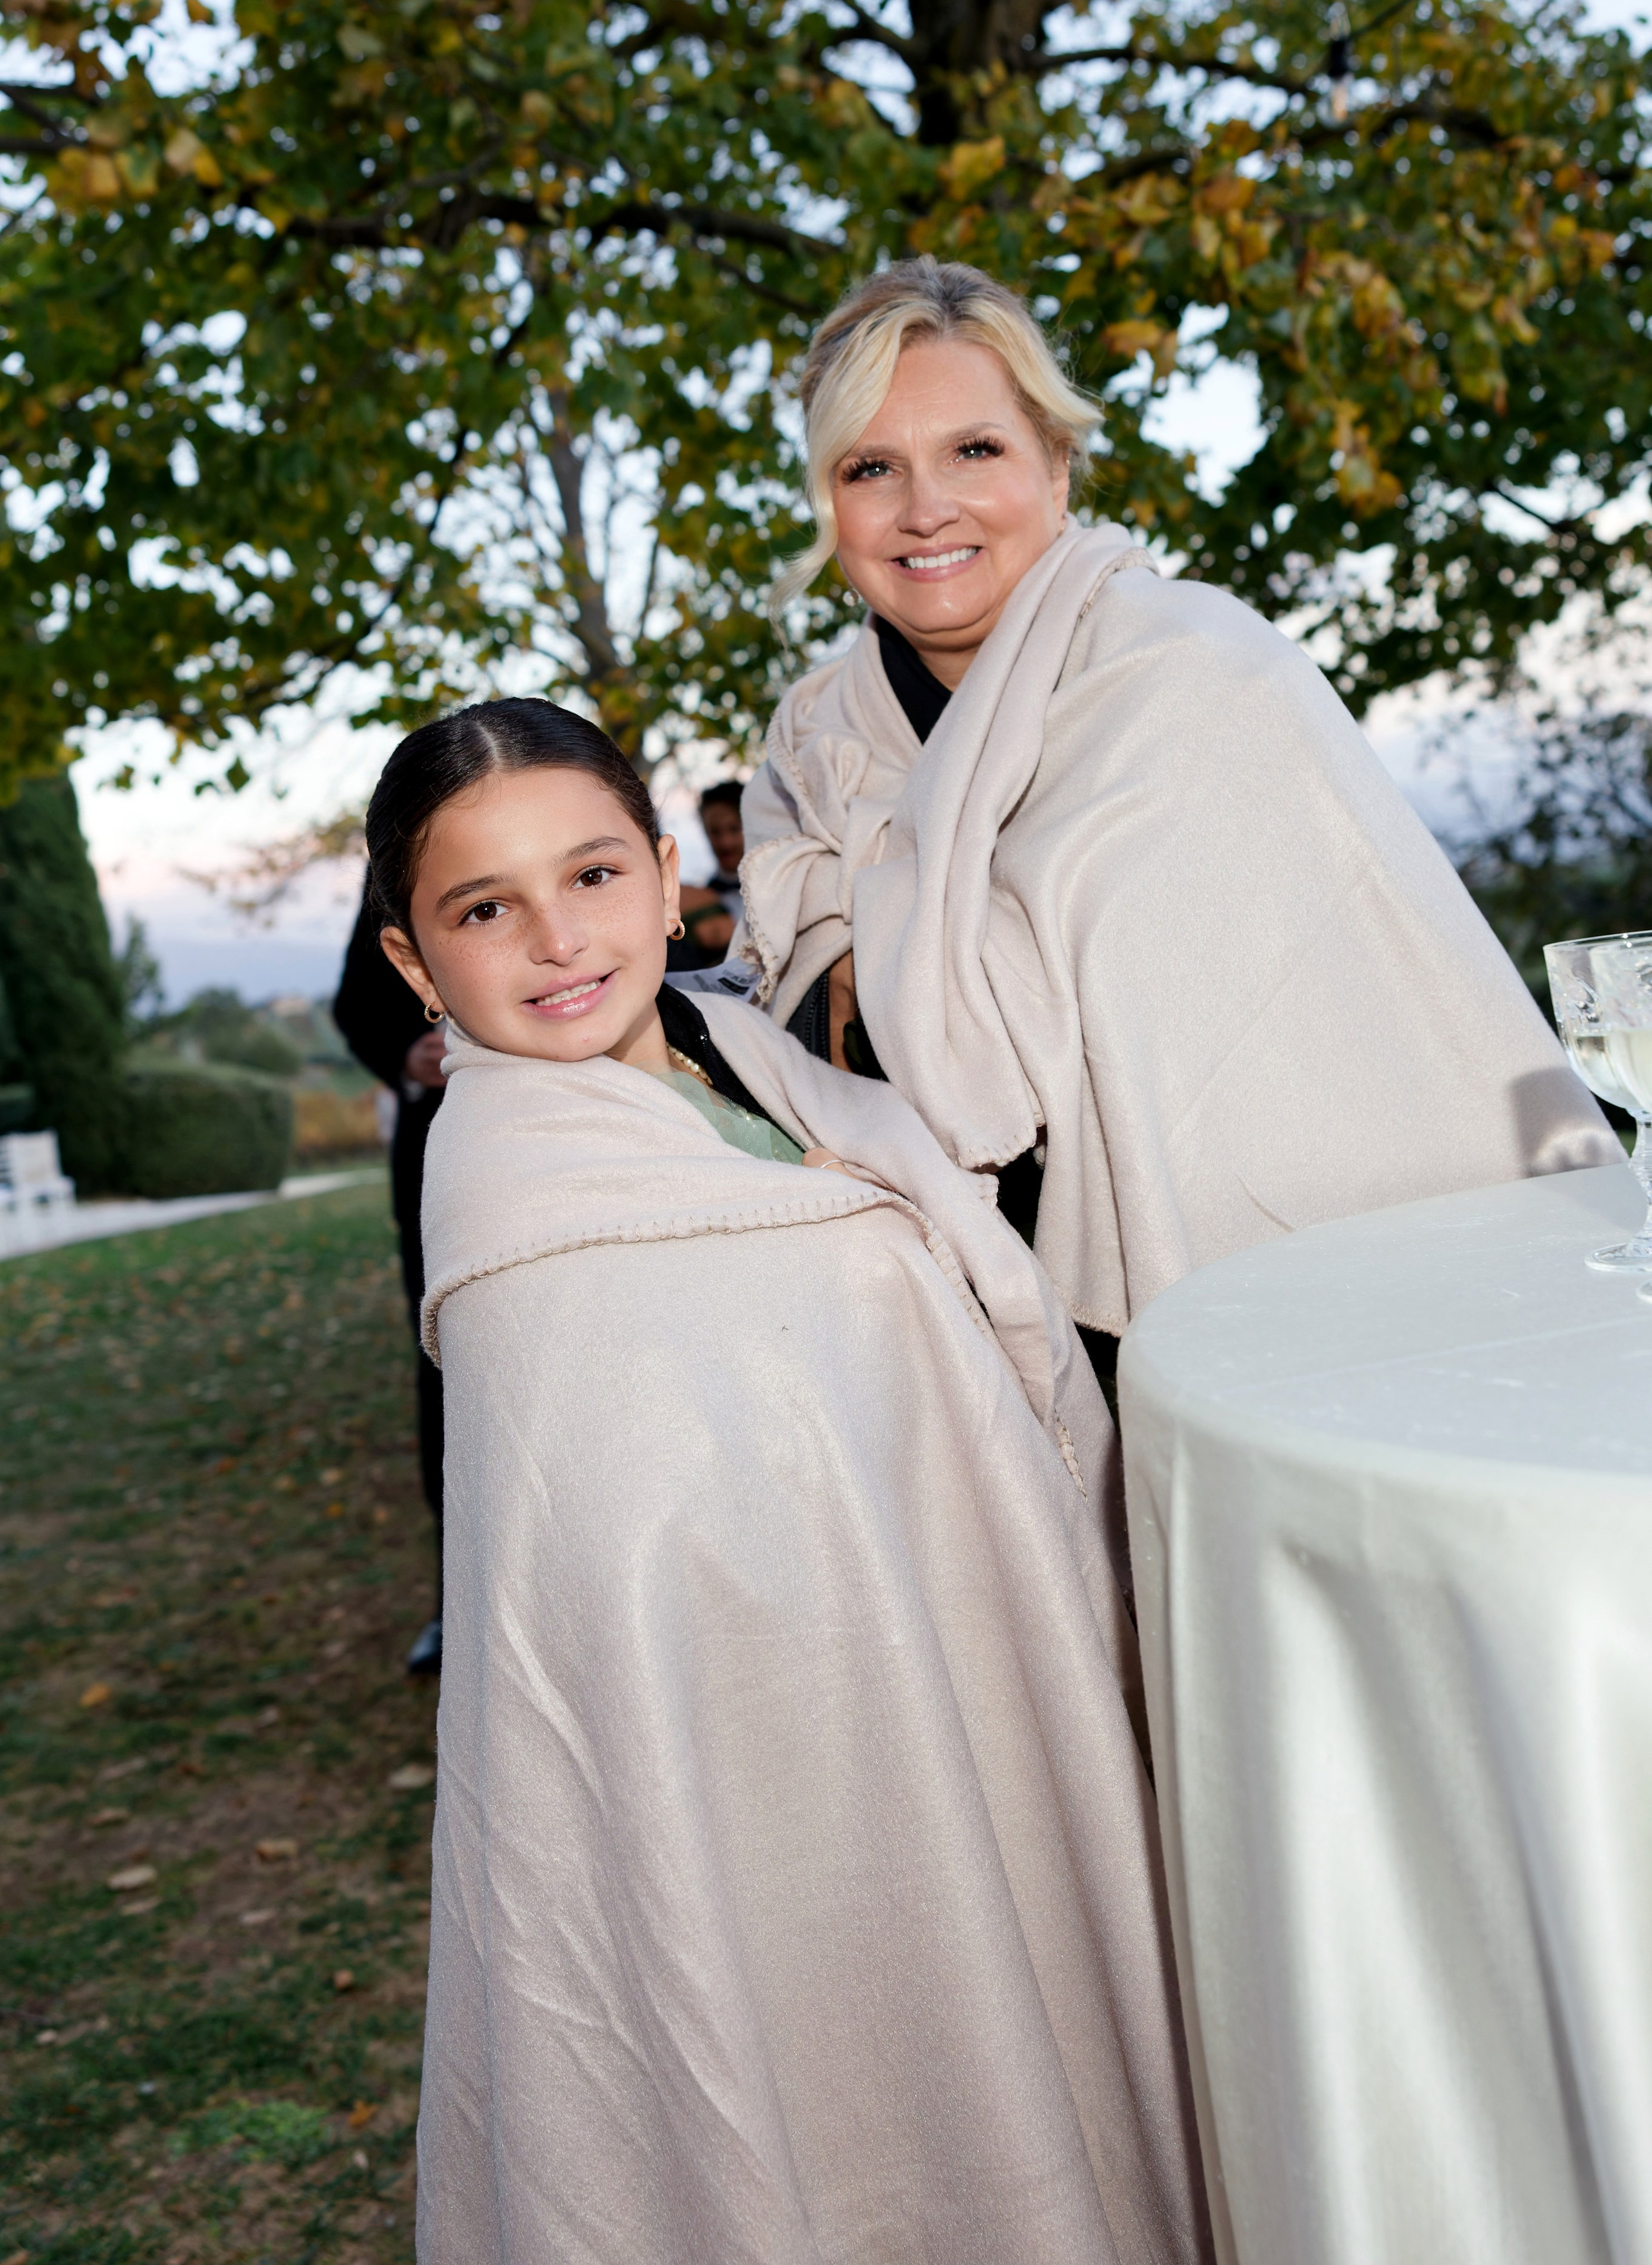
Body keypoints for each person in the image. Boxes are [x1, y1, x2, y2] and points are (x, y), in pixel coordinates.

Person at [367, 697, 1211, 2265]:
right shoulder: (520, 1227)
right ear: (417, 962)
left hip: (968, 1661)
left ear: (665, 869)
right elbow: (617, 1590)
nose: (558, 939)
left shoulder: (739, 1045)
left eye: (594, 874)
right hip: (787, 1797)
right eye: (485, 907)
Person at [739, 258, 1617, 1385]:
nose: (925, 508)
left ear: (1056, 469)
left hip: (1264, 1293)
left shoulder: (1196, 669)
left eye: (974, 449)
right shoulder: (814, 735)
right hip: (947, 1333)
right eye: (872, 467)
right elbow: (799, 1026)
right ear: (831, 502)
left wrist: (885, 948)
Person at [332, 889, 448, 1674]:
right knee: (446, 1381)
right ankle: (459, 1602)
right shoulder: (392, 869)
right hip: (437, 1170)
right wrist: (406, 1054)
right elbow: (354, 1002)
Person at [665, 777, 746, 968]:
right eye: (715, 832)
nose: (725, 842)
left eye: (734, 829)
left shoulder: (776, 885)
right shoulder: (703, 895)